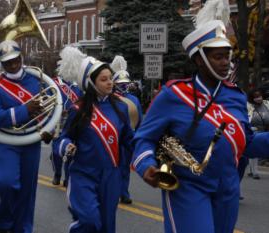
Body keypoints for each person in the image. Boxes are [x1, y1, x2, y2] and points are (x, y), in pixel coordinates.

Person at [131, 4, 269, 233]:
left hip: (228, 190)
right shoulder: (173, 95)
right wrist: (147, 166)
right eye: (218, 57)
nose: (226, 62)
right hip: (188, 187)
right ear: (199, 60)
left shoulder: (235, 96)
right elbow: (143, 139)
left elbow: (246, 143)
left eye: (227, 56)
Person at [54, 47, 134, 233]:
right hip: (84, 174)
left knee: (107, 226)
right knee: (89, 221)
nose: (110, 83)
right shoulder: (78, 109)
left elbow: (129, 140)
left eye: (110, 78)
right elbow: (62, 139)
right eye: (103, 79)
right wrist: (66, 146)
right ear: (91, 83)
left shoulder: (120, 108)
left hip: (111, 176)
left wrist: (151, 152)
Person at [0, 40, 52, 233]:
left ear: (21, 57)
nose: (13, 65)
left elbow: (49, 110)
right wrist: (23, 110)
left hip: (31, 141)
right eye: (7, 62)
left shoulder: (36, 80)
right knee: (6, 183)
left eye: (15, 60)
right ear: (1, 64)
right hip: (6, 141)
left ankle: (23, 229)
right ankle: (6, 222)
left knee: (27, 192)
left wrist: (49, 130)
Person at [110, 55, 143, 204]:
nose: (123, 86)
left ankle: (124, 192)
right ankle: (114, 190)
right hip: (114, 137)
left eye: (125, 83)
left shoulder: (134, 99)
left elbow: (139, 119)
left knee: (125, 167)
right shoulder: (110, 98)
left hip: (129, 137)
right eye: (120, 83)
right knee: (114, 166)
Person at [50, 75, 82, 186]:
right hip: (58, 120)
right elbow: (48, 101)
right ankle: (57, 174)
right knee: (56, 150)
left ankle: (68, 177)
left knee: (70, 150)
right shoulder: (53, 83)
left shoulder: (78, 86)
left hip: (72, 119)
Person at [247, 88, 269, 179]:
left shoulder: (267, 104)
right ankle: (255, 172)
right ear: (252, 98)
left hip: (266, 130)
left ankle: (251, 170)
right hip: (254, 130)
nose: (258, 98)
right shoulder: (249, 106)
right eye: (255, 97)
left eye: (259, 96)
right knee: (254, 151)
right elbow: (246, 117)